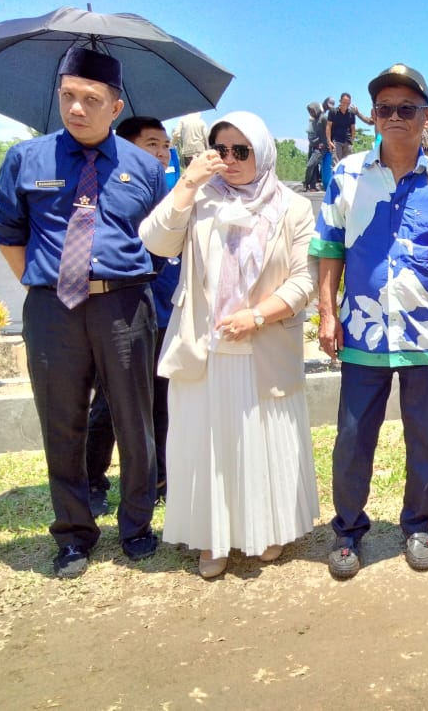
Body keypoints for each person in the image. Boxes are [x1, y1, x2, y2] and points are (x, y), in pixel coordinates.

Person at [0, 47, 165, 577]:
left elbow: (160, 238)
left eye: (91, 99)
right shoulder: (28, 159)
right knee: (62, 423)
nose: (76, 109)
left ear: (115, 107)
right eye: (68, 96)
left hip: (124, 306)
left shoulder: (143, 167)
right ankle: (73, 534)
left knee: (134, 420)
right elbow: (10, 234)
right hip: (53, 311)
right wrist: (43, 281)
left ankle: (136, 525)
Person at [139, 110, 319, 579]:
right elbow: (155, 242)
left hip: (264, 344)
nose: (232, 160)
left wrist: (257, 315)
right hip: (206, 346)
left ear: (262, 153)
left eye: (243, 151)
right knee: (207, 446)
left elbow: (305, 281)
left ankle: (270, 528)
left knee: (265, 442)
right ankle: (211, 537)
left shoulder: (292, 208)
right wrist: (186, 184)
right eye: (223, 150)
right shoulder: (200, 200)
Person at [314, 63, 428, 581]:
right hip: (361, 334)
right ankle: (348, 532)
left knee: (425, 437)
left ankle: (418, 526)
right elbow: (329, 249)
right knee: (353, 437)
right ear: (372, 118)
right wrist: (326, 313)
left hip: (426, 334)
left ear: (427, 117)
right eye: (384, 109)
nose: (395, 117)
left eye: (407, 109)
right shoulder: (347, 176)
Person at [85, 116, 180, 512]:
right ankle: (92, 479)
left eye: (164, 145)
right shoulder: (112, 195)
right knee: (109, 403)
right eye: (151, 144)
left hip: (163, 314)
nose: (161, 153)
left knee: (161, 401)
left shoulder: (173, 194)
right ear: (124, 148)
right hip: (123, 313)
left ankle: (158, 477)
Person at [326, 92, 374, 162]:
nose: (346, 105)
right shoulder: (333, 111)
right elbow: (328, 126)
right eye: (344, 102)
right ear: (340, 101)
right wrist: (329, 141)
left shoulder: (351, 113)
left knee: (349, 163)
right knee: (336, 163)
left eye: (348, 103)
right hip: (336, 141)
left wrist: (352, 140)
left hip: (347, 141)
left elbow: (353, 127)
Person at [304, 99, 334, 191]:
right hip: (313, 146)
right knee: (313, 166)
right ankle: (311, 185)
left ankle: (307, 182)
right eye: (309, 111)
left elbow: (329, 131)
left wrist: (325, 143)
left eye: (312, 110)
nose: (311, 112)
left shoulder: (323, 118)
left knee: (311, 165)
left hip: (321, 148)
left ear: (317, 109)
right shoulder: (314, 120)